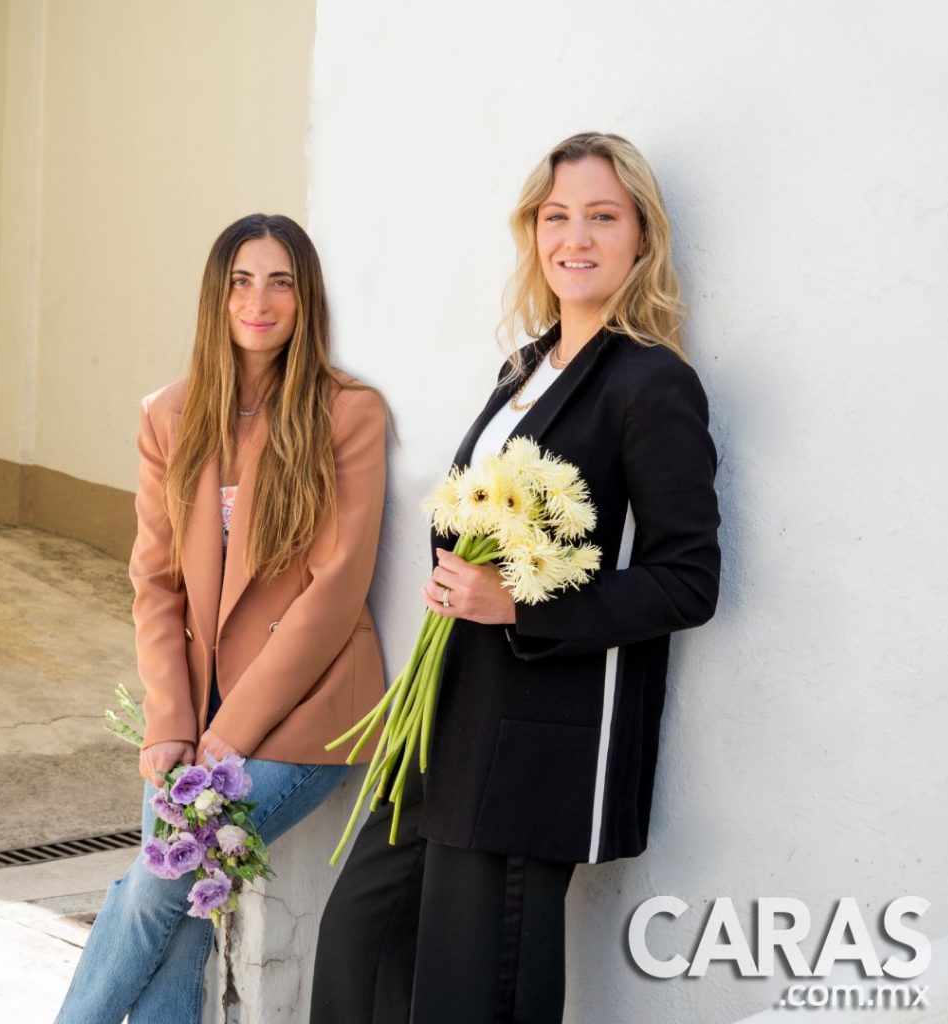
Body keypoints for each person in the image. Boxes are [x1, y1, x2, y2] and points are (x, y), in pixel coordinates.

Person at [310, 133, 721, 1024]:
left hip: (533, 746)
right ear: (533, 231)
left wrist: (518, 603)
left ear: (642, 237)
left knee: (469, 995)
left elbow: (688, 580)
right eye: (557, 216)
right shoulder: (525, 367)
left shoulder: (651, 383)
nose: (576, 237)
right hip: (446, 716)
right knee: (358, 948)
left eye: (603, 216)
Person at [56, 213, 388, 1024]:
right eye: (241, 281)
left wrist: (228, 734)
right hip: (194, 713)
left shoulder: (348, 412)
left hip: (304, 713)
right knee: (180, 908)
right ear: (217, 296)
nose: (258, 302)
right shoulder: (169, 415)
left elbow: (335, 591)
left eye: (280, 282)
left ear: (306, 298)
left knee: (159, 883)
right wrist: (170, 723)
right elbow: (155, 581)